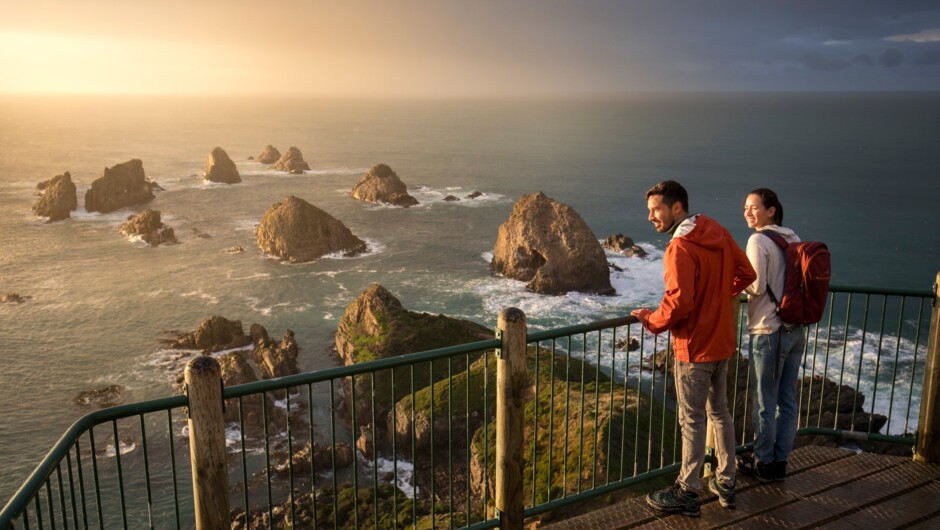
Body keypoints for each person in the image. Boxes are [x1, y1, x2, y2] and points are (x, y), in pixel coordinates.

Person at [631, 180, 755, 516]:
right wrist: (716, 297)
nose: (651, 217)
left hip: (694, 347)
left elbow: (678, 303)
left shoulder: (679, 247)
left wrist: (649, 320)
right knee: (721, 413)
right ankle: (726, 481)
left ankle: (688, 491)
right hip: (722, 342)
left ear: (676, 208)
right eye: (649, 211)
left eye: (656, 210)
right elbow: (746, 273)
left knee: (692, 420)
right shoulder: (717, 231)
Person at [737, 188, 805, 483]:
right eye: (745, 208)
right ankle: (780, 462)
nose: (748, 213)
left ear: (771, 210)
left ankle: (763, 462)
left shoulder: (757, 240)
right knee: (787, 399)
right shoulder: (793, 238)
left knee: (765, 401)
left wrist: (732, 283)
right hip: (795, 329)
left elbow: (756, 286)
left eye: (753, 207)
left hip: (768, 329)